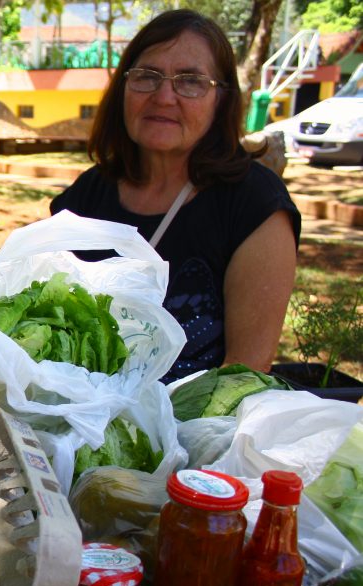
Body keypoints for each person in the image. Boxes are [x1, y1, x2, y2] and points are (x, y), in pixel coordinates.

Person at [49, 10, 299, 382]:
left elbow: (243, 374)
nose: (164, 97)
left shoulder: (253, 204)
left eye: (191, 81)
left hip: (192, 433)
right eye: (147, 76)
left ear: (221, 100)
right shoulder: (86, 196)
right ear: (124, 90)